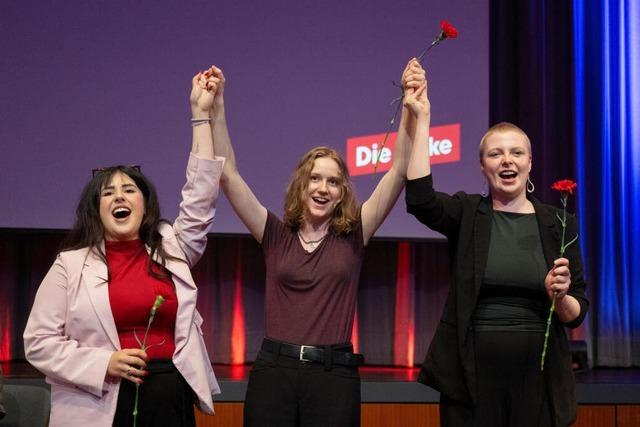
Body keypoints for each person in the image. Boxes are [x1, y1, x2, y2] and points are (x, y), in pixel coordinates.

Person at [203, 59, 424, 426]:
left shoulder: (355, 234)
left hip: (332, 377)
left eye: (333, 182)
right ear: (301, 185)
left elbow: (399, 168)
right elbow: (227, 174)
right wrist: (218, 107)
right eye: (315, 179)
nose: (323, 188)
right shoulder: (274, 234)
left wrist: (408, 103)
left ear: (342, 192)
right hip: (275, 373)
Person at [23, 70, 225, 427]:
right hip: (98, 399)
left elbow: (201, 195)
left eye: (130, 190)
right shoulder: (70, 265)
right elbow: (38, 342)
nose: (120, 197)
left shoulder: (172, 248)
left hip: (167, 395)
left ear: (145, 205)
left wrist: (200, 114)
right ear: (97, 209)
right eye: (109, 193)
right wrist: (104, 363)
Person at [403, 65, 589, 426]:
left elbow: (576, 313)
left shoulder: (559, 223)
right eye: (496, 154)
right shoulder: (469, 213)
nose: (507, 160)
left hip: (538, 380)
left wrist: (561, 297)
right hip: (473, 379)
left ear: (530, 162)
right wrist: (422, 119)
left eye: (517, 153)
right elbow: (420, 201)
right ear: (482, 166)